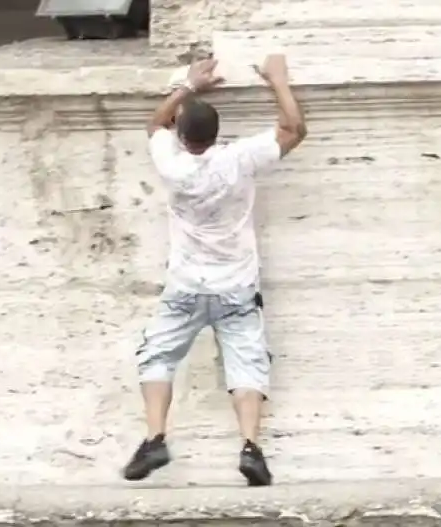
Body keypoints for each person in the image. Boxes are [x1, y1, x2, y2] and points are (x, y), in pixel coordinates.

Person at [122, 55, 307, 486]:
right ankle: (250, 448)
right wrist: (278, 81)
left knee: (158, 356)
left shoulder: (172, 163)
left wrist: (188, 85)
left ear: (182, 137)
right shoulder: (238, 159)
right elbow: (295, 129)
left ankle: (154, 438)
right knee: (247, 363)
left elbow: (155, 124)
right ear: (216, 134)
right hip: (237, 285)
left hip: (186, 283)